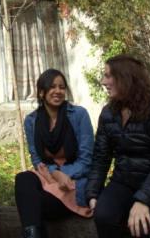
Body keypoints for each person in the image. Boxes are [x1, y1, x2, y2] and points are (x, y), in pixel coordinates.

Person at [86, 55, 150, 238]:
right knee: (104, 216)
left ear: (125, 77)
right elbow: (100, 157)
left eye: (108, 76)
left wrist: (143, 200)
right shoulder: (108, 113)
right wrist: (92, 193)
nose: (103, 81)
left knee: (144, 227)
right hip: (124, 182)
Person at [14, 69, 95, 238]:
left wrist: (63, 175)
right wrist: (55, 174)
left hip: (74, 182)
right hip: (48, 177)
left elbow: (87, 160)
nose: (58, 91)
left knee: (32, 204)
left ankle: (32, 233)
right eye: (52, 87)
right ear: (42, 92)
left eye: (62, 87)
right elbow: (36, 158)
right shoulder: (32, 121)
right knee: (23, 178)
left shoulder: (79, 115)